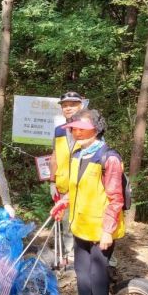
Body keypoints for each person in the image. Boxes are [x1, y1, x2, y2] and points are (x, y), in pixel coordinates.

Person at [51, 109, 125, 295]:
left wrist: (107, 231)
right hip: (79, 224)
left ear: (96, 129)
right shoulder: (77, 155)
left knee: (98, 276)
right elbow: (78, 189)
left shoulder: (109, 158)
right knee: (82, 273)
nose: (76, 133)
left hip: (100, 229)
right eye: (74, 129)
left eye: (82, 128)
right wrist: (64, 202)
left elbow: (116, 198)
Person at [49, 91, 85, 266]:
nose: (68, 108)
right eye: (65, 105)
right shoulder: (59, 131)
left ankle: (87, 257)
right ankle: (70, 256)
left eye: (72, 104)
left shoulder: (90, 128)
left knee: (85, 223)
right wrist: (52, 180)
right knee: (66, 224)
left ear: (81, 105)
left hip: (85, 188)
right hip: (64, 186)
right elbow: (54, 156)